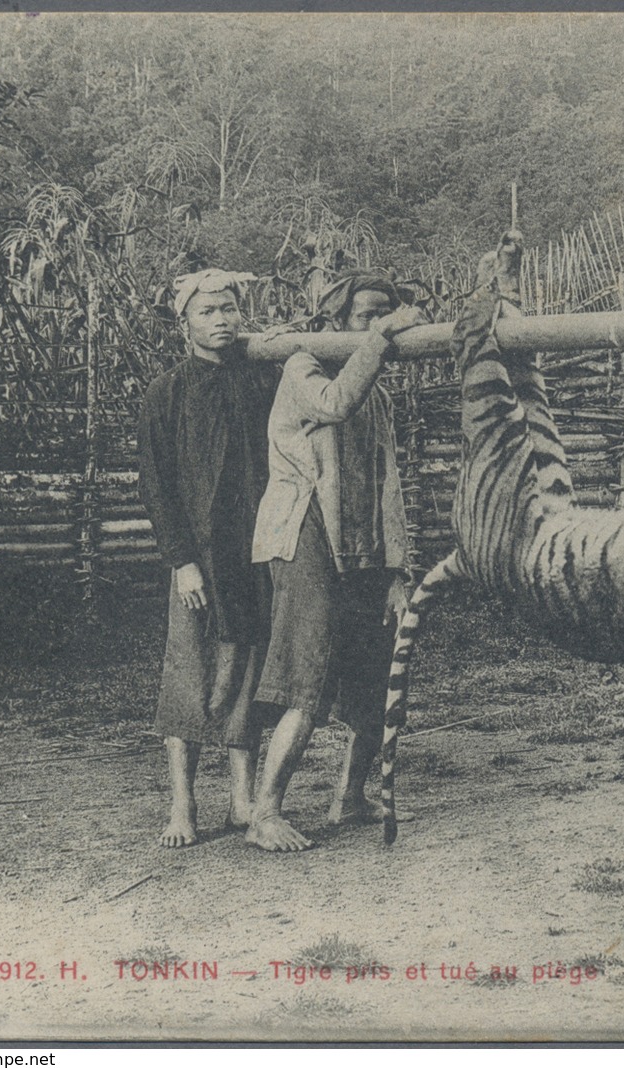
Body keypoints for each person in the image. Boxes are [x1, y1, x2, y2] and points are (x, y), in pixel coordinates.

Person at [246, 271, 428, 852]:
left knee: (374, 674)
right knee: (309, 672)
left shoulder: (378, 393)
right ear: (333, 321)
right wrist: (386, 334)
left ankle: (349, 796)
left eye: (385, 314)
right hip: (306, 537)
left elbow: (389, 486)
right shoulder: (303, 369)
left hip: (363, 547)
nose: (376, 325)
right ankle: (264, 812)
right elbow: (335, 402)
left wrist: (400, 571)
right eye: (365, 315)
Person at [137, 269, 278, 848]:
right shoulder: (166, 392)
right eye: (207, 312)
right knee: (190, 672)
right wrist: (181, 560)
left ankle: (244, 799)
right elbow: (156, 483)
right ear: (185, 323)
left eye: (228, 309)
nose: (221, 320)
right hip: (197, 558)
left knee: (246, 668)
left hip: (252, 551)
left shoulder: (262, 382)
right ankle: (183, 802)